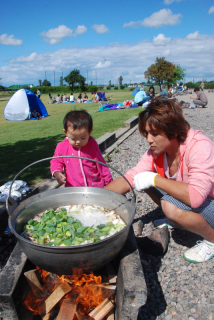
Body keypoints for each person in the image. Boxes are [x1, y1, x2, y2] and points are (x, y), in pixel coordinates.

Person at [105, 97, 214, 264]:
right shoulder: (156, 151)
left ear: (173, 130)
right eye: (147, 133)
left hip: (209, 201)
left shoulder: (200, 147)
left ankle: (211, 239)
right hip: (192, 197)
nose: (149, 139)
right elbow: (130, 177)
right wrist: (97, 198)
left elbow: (196, 196)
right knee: (143, 181)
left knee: (168, 205)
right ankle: (179, 220)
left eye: (154, 134)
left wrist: (155, 179)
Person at [50, 110, 113, 188]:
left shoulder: (92, 145)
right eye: (73, 138)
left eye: (83, 138)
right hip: (74, 187)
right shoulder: (62, 146)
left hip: (94, 186)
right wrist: (56, 172)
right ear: (66, 132)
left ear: (90, 132)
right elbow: (56, 161)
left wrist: (109, 182)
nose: (78, 142)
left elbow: (101, 164)